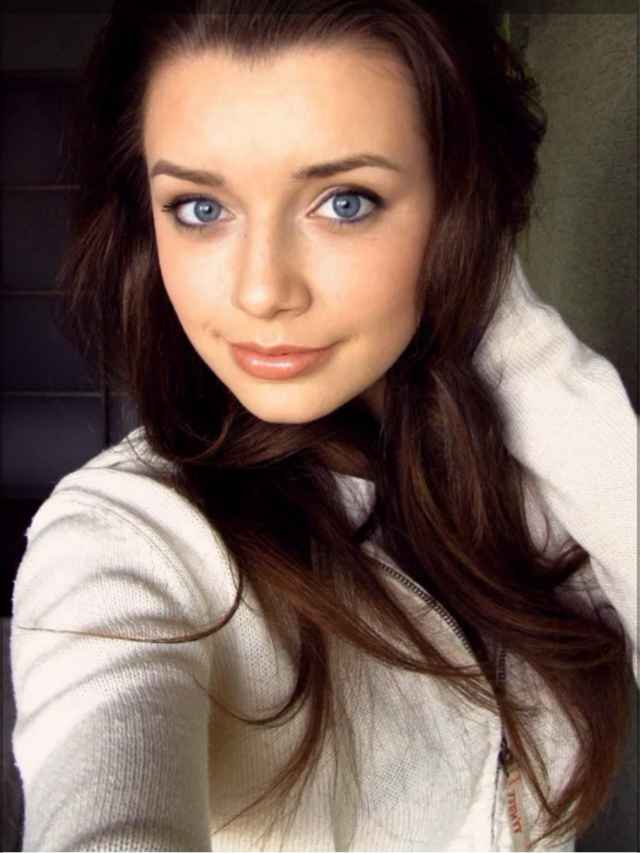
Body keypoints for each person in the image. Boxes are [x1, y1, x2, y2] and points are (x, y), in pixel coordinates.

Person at [9, 1, 637, 851]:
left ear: (458, 207)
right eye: (199, 208)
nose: (262, 290)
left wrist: (495, 313)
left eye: (345, 202)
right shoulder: (128, 537)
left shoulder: (530, 478)